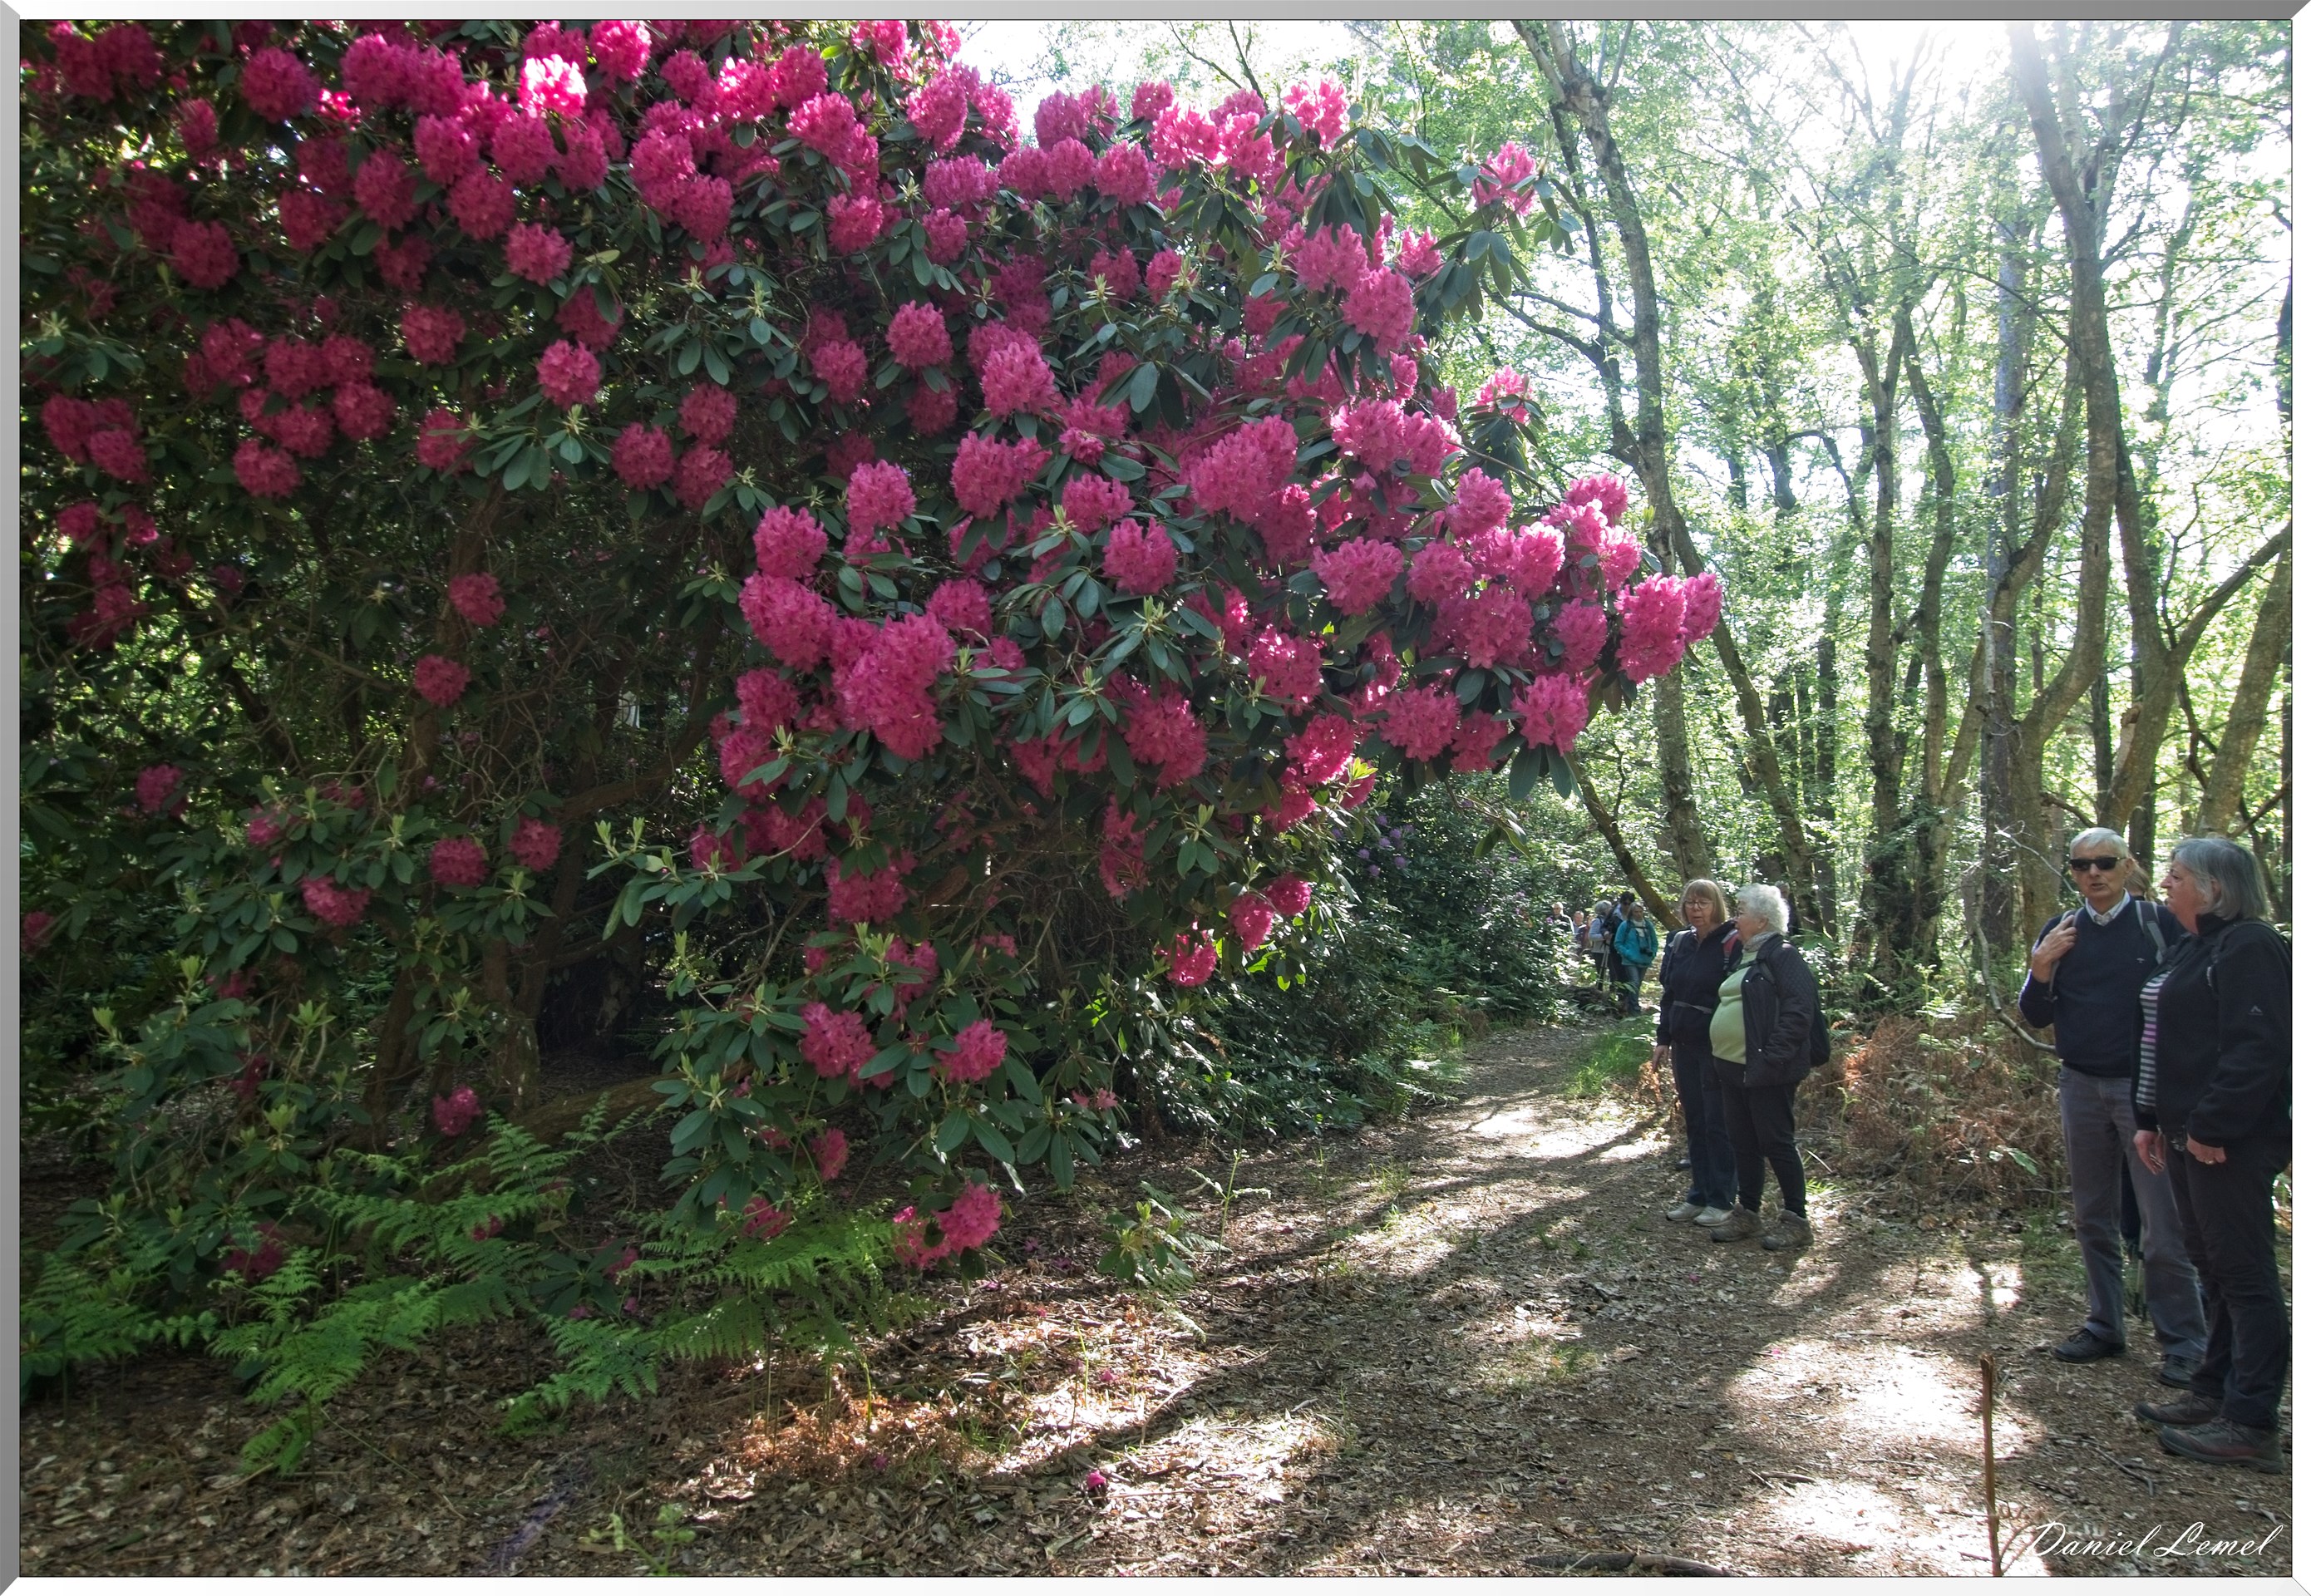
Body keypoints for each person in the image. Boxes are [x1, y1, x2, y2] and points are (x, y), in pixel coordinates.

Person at [2017, 827, 2204, 1385]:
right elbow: (2036, 1013)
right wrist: (2041, 965)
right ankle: (2105, 1324)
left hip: (2144, 1091)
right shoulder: (2061, 930)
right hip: (2079, 1084)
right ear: (2071, 872)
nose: (2093, 874)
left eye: (2104, 863)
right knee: (2091, 1214)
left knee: (2161, 1222)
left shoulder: (2158, 925)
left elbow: (2191, 997)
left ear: (2127, 867)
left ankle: (2185, 1342)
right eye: (2081, 866)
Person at [2129, 836, 2291, 1474]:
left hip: (2230, 1142)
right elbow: (2163, 1039)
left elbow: (2260, 1047)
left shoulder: (2253, 945)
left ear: (2215, 888)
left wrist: (2212, 1126)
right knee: (2214, 1267)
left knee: (2246, 1275)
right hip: (2184, 1134)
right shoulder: (2196, 946)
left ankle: (2252, 1422)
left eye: (2176, 877)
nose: (2166, 887)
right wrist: (2150, 1119)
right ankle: (2213, 1390)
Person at [1706, 883, 1820, 1251]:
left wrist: (1772, 1058)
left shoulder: (1783, 955)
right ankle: (1748, 1213)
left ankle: (1796, 1220)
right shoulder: (1745, 955)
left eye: (1740, 911)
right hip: (1733, 1069)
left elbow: (1799, 1011)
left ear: (1763, 920)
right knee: (1743, 1141)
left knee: (1776, 1141)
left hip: (1767, 1070)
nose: (1735, 917)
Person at [1654, 880, 1742, 1226]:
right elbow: (1669, 994)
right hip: (1684, 1043)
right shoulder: (1680, 942)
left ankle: (1722, 1199)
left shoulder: (1732, 942)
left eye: (1703, 902)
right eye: (1690, 902)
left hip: (1717, 1045)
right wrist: (1663, 1038)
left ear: (1716, 905)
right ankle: (1699, 1194)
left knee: (1717, 1121)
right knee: (1695, 1120)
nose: (1695, 908)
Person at [1613, 898, 1659, 1016]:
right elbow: (1618, 943)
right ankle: (1634, 1009)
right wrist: (1628, 954)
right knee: (1634, 983)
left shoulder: (1648, 925)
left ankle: (1629, 1006)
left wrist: (1653, 954)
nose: (1638, 914)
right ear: (1631, 913)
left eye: (1640, 911)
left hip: (1645, 960)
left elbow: (1655, 942)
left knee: (1637, 985)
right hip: (1630, 961)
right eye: (1636, 912)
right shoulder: (1625, 925)